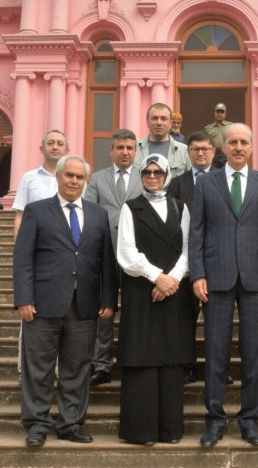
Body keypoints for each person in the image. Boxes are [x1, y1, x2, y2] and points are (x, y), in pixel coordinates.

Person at [189, 123, 258, 448]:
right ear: (223, 148)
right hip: (215, 276)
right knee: (216, 351)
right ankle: (214, 421)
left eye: (244, 142)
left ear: (253, 147)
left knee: (253, 351)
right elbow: (196, 232)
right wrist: (197, 273)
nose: (239, 147)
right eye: (233, 142)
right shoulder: (206, 183)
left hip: (257, 277)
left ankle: (249, 420)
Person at [13, 154, 118, 447]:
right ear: (58, 177)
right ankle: (36, 424)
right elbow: (22, 258)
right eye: (69, 175)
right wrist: (24, 298)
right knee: (38, 367)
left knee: (79, 367)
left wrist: (108, 298)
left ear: (86, 181)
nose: (74, 181)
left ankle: (70, 423)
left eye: (79, 177)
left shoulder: (98, 214)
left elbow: (106, 261)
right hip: (42, 304)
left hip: (84, 305)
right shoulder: (37, 211)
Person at [117, 153, 192, 445]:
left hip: (174, 292)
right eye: (147, 172)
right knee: (142, 358)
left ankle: (170, 429)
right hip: (142, 291)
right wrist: (156, 277)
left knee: (171, 359)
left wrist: (172, 278)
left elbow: (188, 247)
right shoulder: (130, 207)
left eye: (157, 172)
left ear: (166, 175)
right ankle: (141, 431)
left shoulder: (180, 206)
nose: (151, 176)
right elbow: (126, 252)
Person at [84, 129, 142, 386]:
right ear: (111, 150)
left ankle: (132, 358)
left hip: (137, 255)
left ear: (136, 150)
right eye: (120, 147)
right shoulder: (97, 179)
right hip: (104, 254)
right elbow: (89, 215)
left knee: (135, 309)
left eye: (130, 147)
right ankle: (102, 363)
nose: (125, 152)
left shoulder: (147, 176)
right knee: (104, 310)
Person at [12, 129, 70, 380]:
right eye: (51, 143)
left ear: (66, 149)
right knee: (30, 311)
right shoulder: (28, 178)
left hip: (64, 254)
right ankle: (27, 367)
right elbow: (20, 216)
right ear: (42, 148)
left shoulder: (72, 177)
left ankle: (59, 367)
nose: (55, 147)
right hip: (36, 253)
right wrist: (20, 250)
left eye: (60, 144)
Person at [168, 130, 217, 384]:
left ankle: (217, 368)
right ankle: (187, 365)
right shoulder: (176, 183)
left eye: (205, 148)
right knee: (185, 316)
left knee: (217, 319)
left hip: (218, 258)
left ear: (213, 151)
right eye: (195, 149)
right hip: (185, 259)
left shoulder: (222, 180)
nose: (200, 153)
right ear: (188, 152)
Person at [135, 103, 190, 177]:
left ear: (170, 123)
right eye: (154, 118)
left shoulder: (184, 151)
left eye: (164, 119)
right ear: (147, 121)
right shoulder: (134, 149)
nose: (159, 123)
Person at [204, 103, 232, 168]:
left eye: (222, 112)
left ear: (225, 114)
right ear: (214, 113)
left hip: (226, 155)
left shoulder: (230, 126)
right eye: (218, 112)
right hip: (213, 156)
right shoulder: (208, 128)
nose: (219, 114)